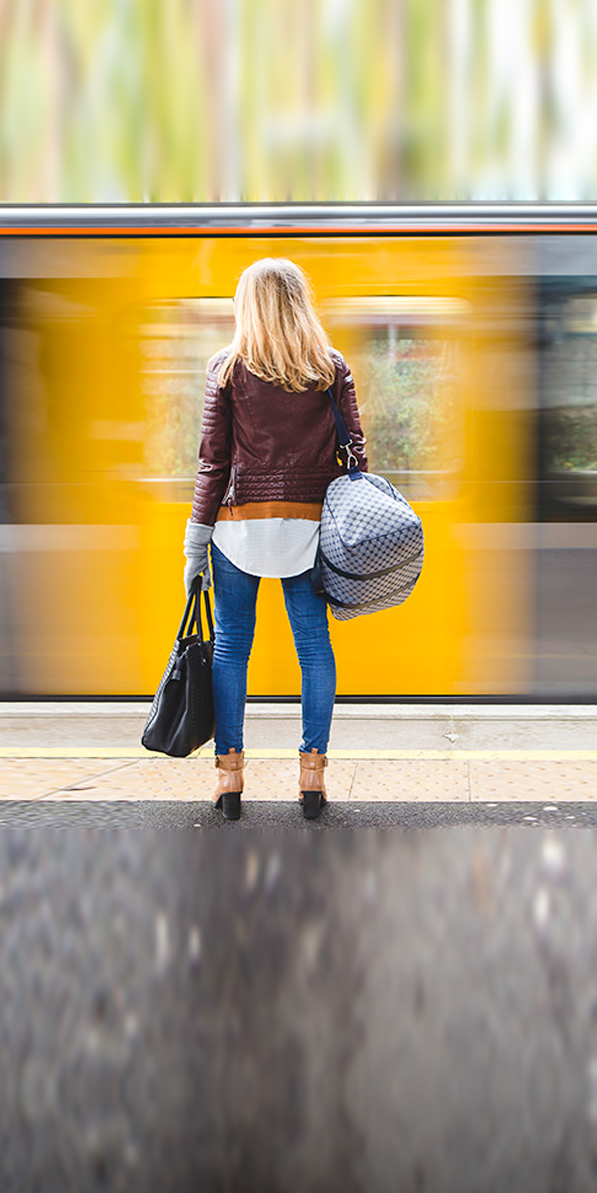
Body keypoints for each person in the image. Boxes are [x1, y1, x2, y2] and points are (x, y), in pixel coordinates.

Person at [182, 258, 367, 821]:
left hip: (239, 529)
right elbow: (356, 451)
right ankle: (312, 777)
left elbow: (213, 462)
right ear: (299, 302)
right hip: (311, 529)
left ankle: (230, 779)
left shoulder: (226, 368)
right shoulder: (329, 367)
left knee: (233, 648)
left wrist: (195, 543)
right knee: (313, 650)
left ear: (247, 305)